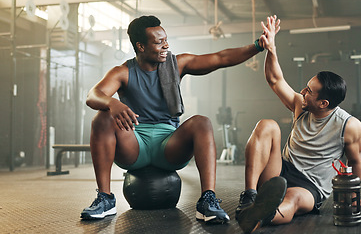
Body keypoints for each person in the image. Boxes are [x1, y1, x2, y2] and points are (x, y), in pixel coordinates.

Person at [80, 15, 274, 224]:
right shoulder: (123, 72)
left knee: (202, 122)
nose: (166, 45)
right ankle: (105, 199)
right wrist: (112, 103)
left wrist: (258, 46)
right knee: (102, 118)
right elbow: (93, 95)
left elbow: (221, 58)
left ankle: (207, 201)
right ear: (141, 46)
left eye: (166, 39)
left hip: (169, 145)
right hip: (135, 144)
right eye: (159, 42)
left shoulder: (177, 64)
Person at [235, 16, 361, 233]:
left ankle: (260, 216)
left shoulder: (349, 125)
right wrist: (271, 49)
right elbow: (275, 80)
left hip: (310, 187)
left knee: (292, 197)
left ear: (323, 103)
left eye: (309, 91)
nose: (302, 92)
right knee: (267, 125)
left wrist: (352, 198)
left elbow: (355, 163)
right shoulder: (300, 105)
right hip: (281, 171)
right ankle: (249, 198)